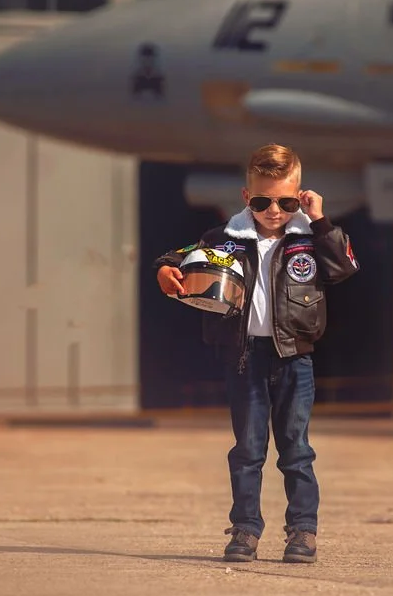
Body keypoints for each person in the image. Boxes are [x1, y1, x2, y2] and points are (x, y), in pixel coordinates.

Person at [153, 144, 360, 563]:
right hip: (245, 357)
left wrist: (319, 220)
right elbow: (183, 255)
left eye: (285, 201)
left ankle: (303, 531)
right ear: (248, 198)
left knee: (296, 449)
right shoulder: (227, 239)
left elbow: (343, 267)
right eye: (263, 201)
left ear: (299, 196)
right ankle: (245, 530)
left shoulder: (309, 238)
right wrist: (165, 268)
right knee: (248, 449)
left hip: (295, 358)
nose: (274, 211)